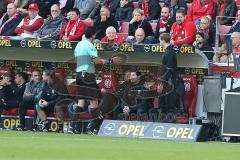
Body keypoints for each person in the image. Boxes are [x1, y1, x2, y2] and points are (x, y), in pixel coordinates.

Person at [74, 27, 109, 134]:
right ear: (93, 35)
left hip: (79, 74)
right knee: (94, 102)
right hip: (88, 76)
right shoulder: (90, 45)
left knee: (80, 102)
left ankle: (73, 126)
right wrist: (105, 61)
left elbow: (77, 58)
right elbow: (95, 60)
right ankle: (93, 128)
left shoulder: (79, 44)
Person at [159, 33, 178, 113]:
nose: (159, 42)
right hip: (167, 82)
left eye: (160, 40)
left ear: (163, 40)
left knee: (169, 105)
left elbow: (169, 69)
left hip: (169, 83)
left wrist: (162, 83)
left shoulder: (169, 52)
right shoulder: (168, 51)